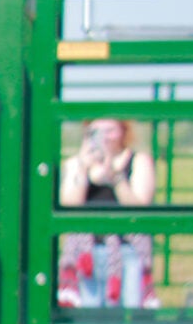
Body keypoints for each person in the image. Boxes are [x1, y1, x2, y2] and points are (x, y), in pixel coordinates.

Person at [57, 116, 158, 308]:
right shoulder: (75, 164)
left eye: (110, 130)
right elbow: (70, 205)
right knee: (86, 312)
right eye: (96, 132)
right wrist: (83, 169)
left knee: (131, 311)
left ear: (123, 131)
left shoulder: (138, 160)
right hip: (85, 252)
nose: (104, 137)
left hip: (129, 251)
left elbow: (139, 207)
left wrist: (116, 177)